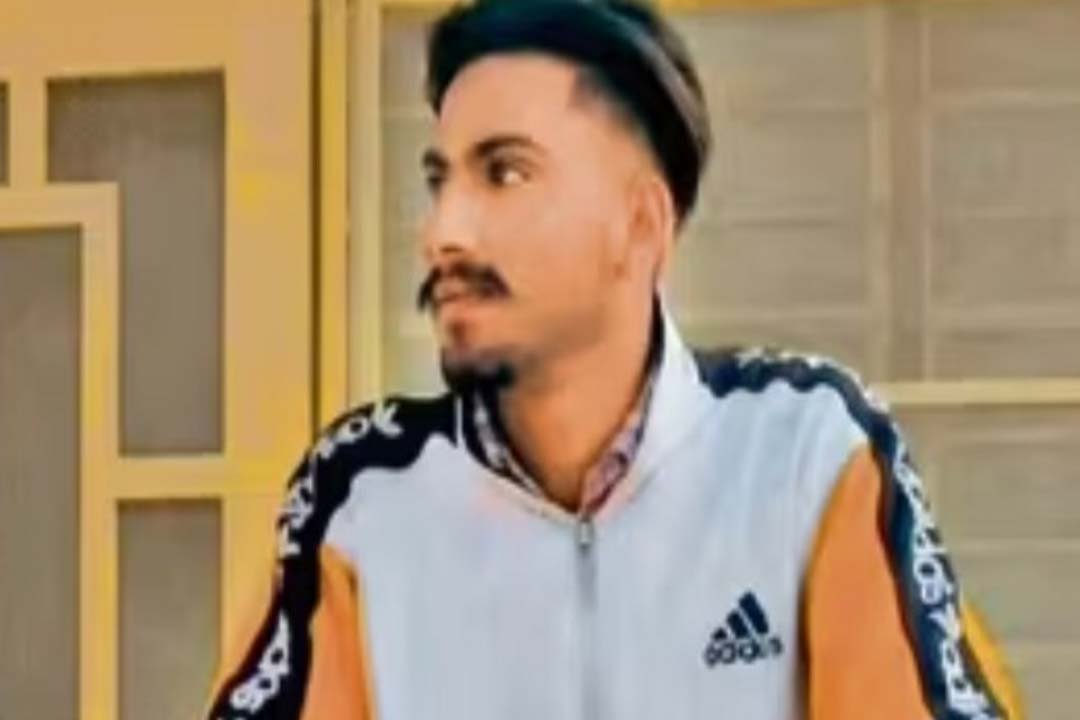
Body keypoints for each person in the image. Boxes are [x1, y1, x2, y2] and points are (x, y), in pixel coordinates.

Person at [206, 1, 1021, 718]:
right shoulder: (359, 496)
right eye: (439, 181)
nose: (443, 232)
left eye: (504, 173)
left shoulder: (806, 455)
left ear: (641, 225)